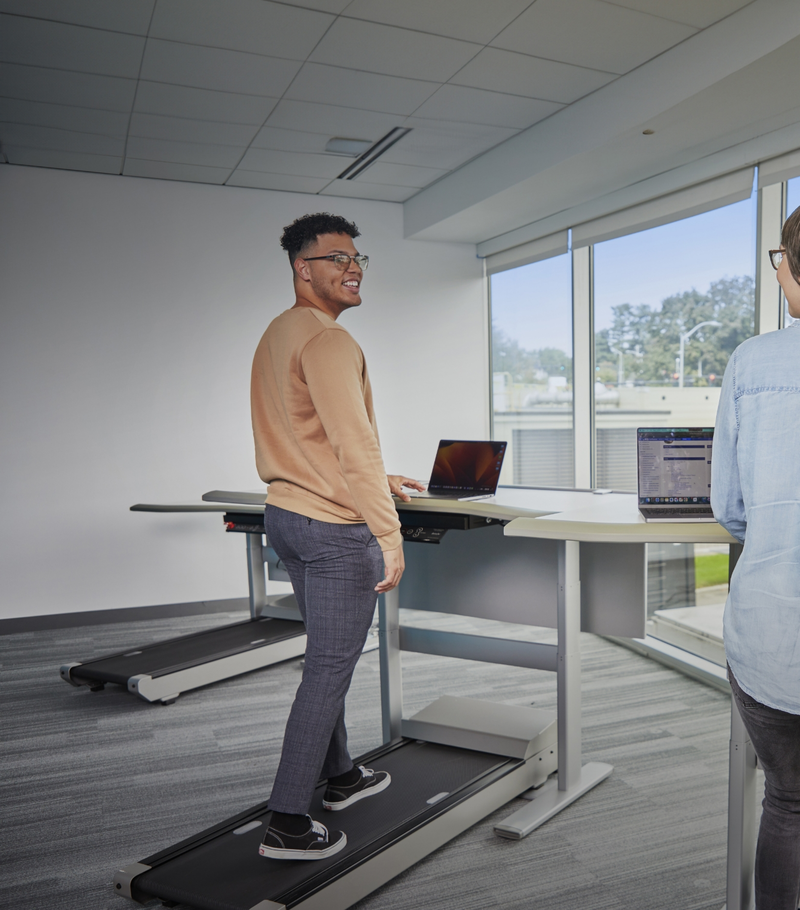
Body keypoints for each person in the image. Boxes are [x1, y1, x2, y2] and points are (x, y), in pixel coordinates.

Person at [250, 212, 423, 860]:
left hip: (286, 517)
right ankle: (288, 820)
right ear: (303, 269)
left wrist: (379, 474)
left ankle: (342, 776)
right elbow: (352, 442)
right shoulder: (328, 341)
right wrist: (390, 534)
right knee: (328, 668)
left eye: (358, 258)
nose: (352, 268)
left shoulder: (278, 333)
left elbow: (308, 434)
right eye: (335, 259)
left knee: (324, 657)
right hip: (332, 529)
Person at [712, 205, 800, 909]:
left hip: (774, 638)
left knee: (790, 803)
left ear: (790, 271)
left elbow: (731, 508)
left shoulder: (753, 362)